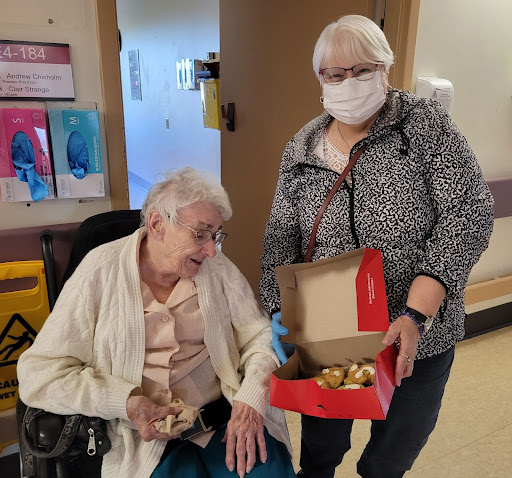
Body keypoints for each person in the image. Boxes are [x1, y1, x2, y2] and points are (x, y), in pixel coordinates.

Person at [259, 14, 494, 478]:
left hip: (413, 331)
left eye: (362, 70)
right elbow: (279, 234)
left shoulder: (424, 128)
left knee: (393, 451)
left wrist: (416, 313)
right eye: (335, 74)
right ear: (320, 79)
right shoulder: (303, 145)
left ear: (385, 68)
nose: (348, 83)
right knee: (323, 444)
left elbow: (469, 214)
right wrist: (276, 308)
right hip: (331, 327)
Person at [18, 167, 295, 478]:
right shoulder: (99, 272)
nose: (211, 250)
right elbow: (39, 374)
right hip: (142, 440)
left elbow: (258, 337)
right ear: (157, 224)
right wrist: (126, 403)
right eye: (201, 234)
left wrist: (249, 403)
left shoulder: (218, 271)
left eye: (215, 235)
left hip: (225, 418)